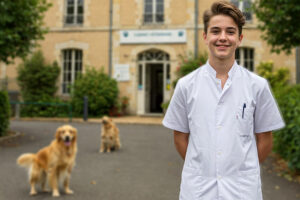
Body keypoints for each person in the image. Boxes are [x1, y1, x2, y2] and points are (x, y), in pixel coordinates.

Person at [162, 1, 285, 200]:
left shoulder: (257, 86)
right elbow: (180, 137)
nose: (222, 38)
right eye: (215, 31)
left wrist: (242, 169)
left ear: (240, 38)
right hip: (199, 189)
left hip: (242, 190)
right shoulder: (186, 86)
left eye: (230, 31)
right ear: (205, 36)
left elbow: (265, 139)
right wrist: (204, 166)